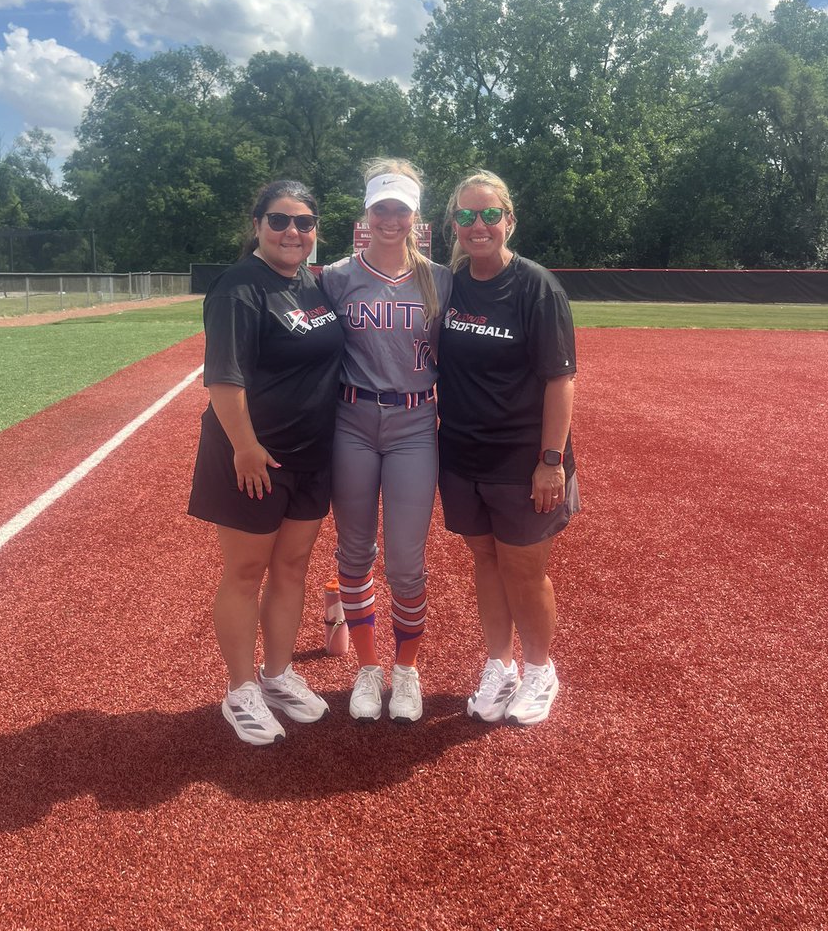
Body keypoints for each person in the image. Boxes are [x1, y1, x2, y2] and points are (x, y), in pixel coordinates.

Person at [188, 180, 344, 746]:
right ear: (257, 224)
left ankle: (278, 674)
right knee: (246, 571)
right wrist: (246, 447)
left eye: (304, 223)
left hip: (310, 454)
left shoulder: (312, 283)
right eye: (279, 221)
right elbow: (224, 379)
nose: (292, 232)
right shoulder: (238, 287)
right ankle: (241, 688)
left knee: (293, 566)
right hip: (253, 455)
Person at [436, 170, 580, 726]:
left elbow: (559, 380)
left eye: (489, 215)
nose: (479, 226)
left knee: (524, 568)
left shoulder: (535, 286)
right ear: (454, 224)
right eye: (467, 216)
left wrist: (551, 461)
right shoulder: (448, 284)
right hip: (463, 454)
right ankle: (501, 665)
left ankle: (541, 670)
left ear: (509, 219)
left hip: (523, 458)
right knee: (485, 559)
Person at [321, 160, 452, 723]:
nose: (391, 219)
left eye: (401, 209)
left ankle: (406, 670)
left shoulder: (441, 279)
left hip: (416, 425)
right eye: (382, 209)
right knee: (354, 555)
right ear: (366, 214)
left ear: (415, 215)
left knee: (405, 560)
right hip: (351, 421)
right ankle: (368, 670)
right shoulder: (335, 277)